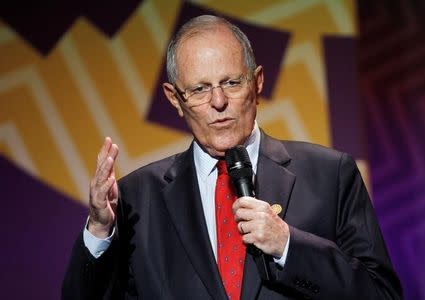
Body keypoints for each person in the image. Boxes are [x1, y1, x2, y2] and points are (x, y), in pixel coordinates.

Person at [62, 15, 402, 299]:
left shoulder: (330, 175)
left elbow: (382, 294)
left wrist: (288, 246)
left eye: (232, 82)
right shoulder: (136, 198)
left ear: (257, 83)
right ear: (174, 99)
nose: (219, 102)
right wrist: (99, 230)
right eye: (199, 89)